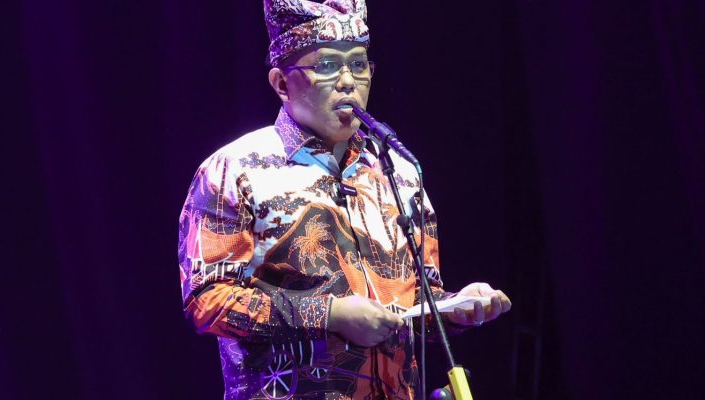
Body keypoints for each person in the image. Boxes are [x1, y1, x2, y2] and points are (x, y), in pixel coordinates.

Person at [178, 1, 511, 399]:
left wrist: (456, 308)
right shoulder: (234, 170)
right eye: (327, 66)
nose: (348, 81)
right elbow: (207, 300)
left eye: (358, 64)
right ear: (282, 84)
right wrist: (331, 314)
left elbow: (416, 303)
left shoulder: (397, 171)